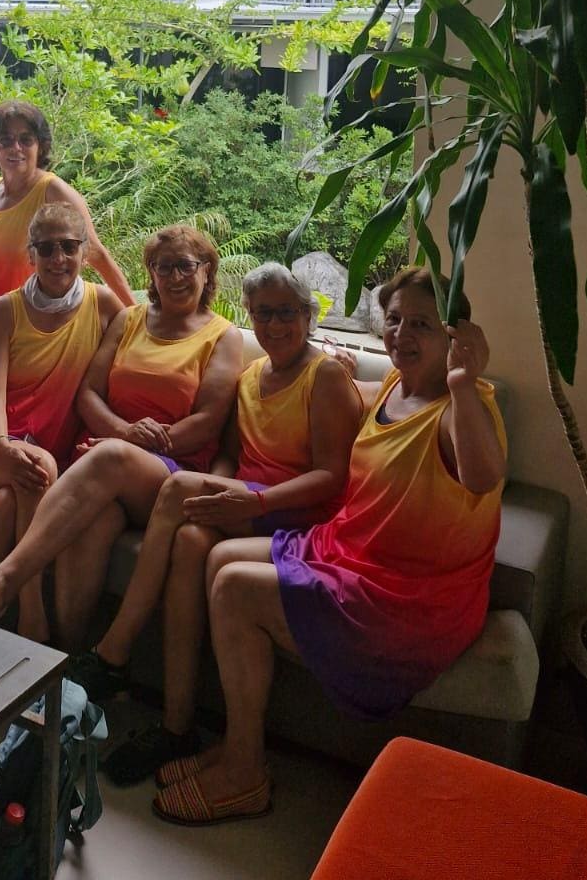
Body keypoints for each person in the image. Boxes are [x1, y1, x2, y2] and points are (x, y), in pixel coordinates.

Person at [149, 266, 506, 828]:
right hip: (348, 551)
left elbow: (482, 476)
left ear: (455, 335)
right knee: (218, 557)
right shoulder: (395, 386)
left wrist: (463, 380)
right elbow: (335, 396)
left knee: (236, 587)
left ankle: (245, 774)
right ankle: (239, 743)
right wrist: (332, 365)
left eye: (422, 324)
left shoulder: (462, 408)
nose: (402, 334)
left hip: (406, 599)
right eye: (394, 320)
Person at [80, 262, 363, 785]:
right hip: (247, 504)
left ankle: (113, 650)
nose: (275, 325)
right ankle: (177, 724)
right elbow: (231, 456)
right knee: (190, 539)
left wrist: (249, 502)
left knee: (178, 488)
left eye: (286, 313)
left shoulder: (324, 375)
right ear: (250, 316)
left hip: (299, 517)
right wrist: (221, 493)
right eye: (263, 314)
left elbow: (332, 477)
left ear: (307, 316)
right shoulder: (251, 376)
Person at [0, 226, 244, 650]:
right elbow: (88, 394)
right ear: (151, 274)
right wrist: (121, 432)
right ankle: (64, 654)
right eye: (163, 267)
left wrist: (125, 443)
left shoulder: (223, 336)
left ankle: (0, 585)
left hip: (169, 471)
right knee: (86, 526)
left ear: (207, 270)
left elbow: (208, 422)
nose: (175, 277)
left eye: (185, 266)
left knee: (110, 460)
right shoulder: (129, 319)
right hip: (103, 465)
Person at [0, 202, 123, 640]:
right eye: (47, 248)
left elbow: (142, 342)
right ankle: (32, 617)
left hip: (48, 446)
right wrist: (2, 444)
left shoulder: (103, 304)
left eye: (69, 247)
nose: (59, 258)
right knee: (38, 469)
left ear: (84, 252)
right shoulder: (5, 309)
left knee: (9, 500)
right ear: (31, 253)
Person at [0, 101, 133, 392]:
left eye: (25, 139)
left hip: (14, 339)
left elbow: (97, 255)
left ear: (40, 146)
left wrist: (137, 321)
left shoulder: (52, 191)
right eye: (5, 140)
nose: (15, 148)